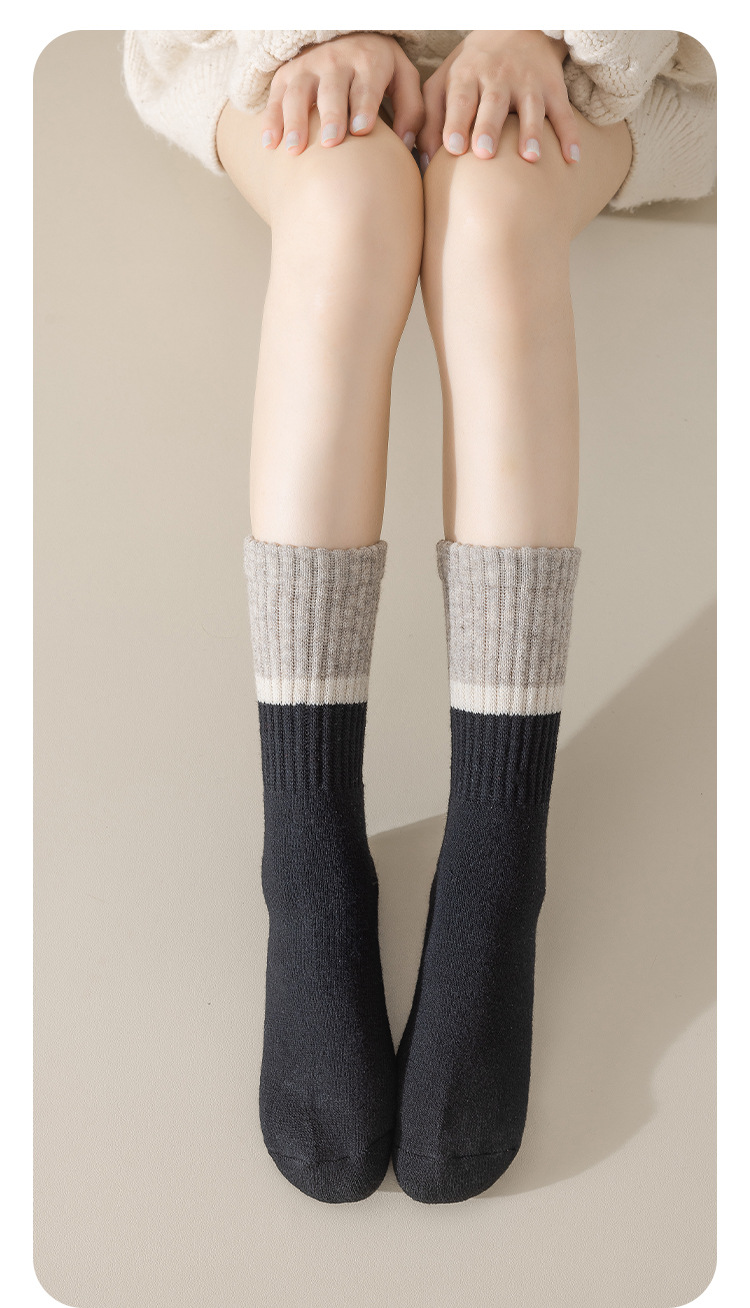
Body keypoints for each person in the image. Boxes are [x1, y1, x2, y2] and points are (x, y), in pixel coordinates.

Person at [122, 28, 717, 1206]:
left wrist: (541, 32)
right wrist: (303, 30)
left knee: (490, 213)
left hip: (595, 63)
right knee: (345, 205)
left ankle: (498, 860)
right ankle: (308, 858)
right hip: (278, 47)